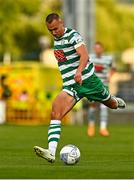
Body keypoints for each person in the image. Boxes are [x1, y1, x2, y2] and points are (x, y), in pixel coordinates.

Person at [34, 13, 126, 163]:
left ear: (61, 22)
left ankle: (113, 100)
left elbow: (84, 55)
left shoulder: (73, 35)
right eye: (50, 30)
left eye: (56, 29)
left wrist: (78, 72)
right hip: (71, 85)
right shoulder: (56, 39)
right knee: (55, 111)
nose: (54, 32)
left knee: (111, 104)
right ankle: (51, 151)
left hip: (88, 81)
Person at [87, 42, 116, 137]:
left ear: (102, 49)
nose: (97, 50)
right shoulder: (90, 57)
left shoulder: (108, 58)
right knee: (92, 107)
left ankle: (103, 128)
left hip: (104, 86)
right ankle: (91, 126)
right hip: (93, 87)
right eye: (96, 48)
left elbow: (114, 68)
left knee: (104, 107)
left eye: (99, 48)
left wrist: (110, 76)